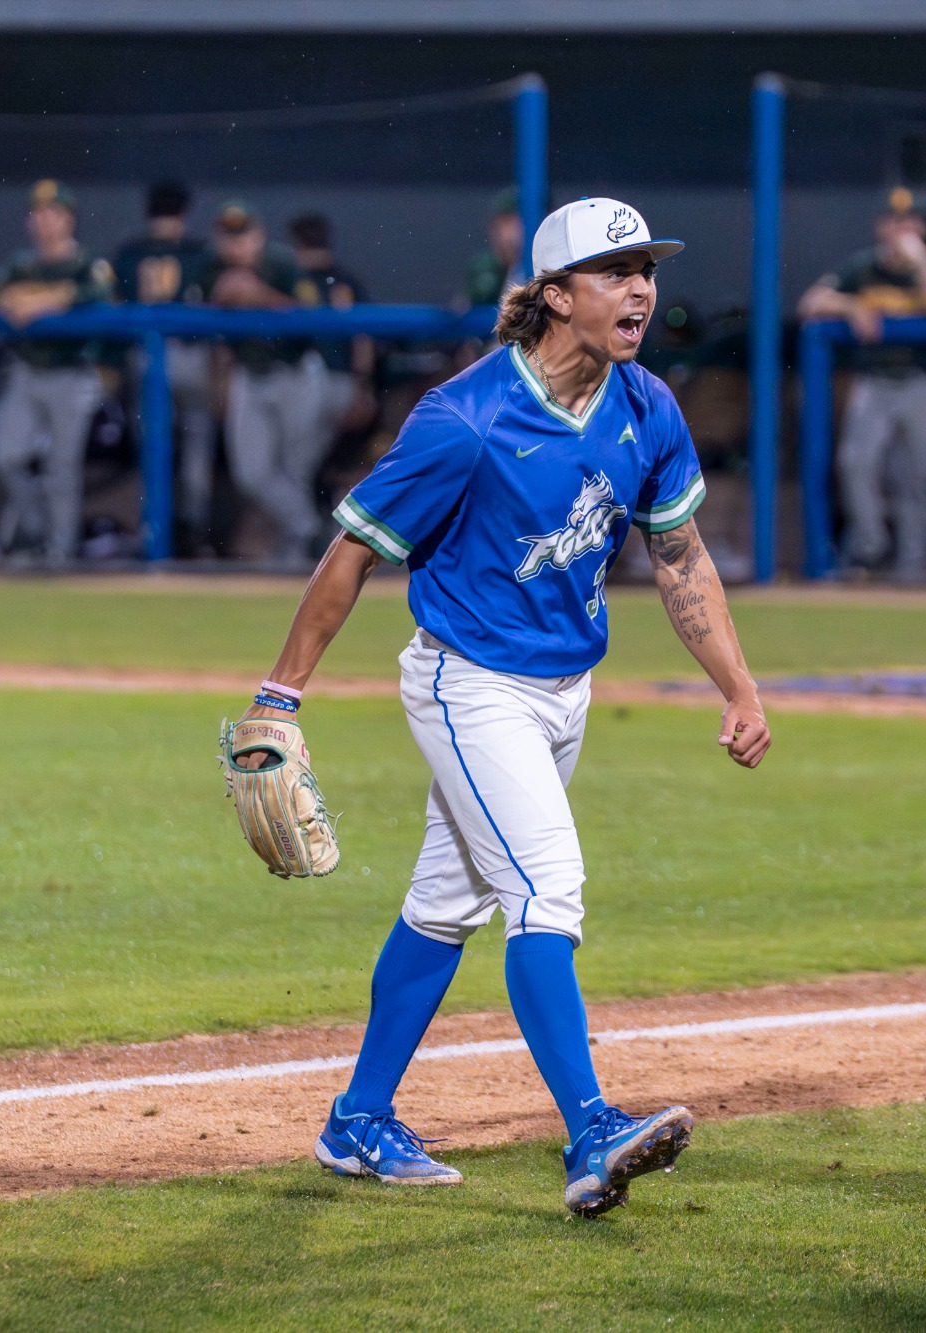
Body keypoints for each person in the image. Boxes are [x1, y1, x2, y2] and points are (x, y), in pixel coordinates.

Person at [234, 197, 768, 1216]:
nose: (641, 289)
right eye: (615, 271)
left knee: (447, 905)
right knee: (547, 890)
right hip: (468, 682)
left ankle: (356, 1120)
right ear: (556, 295)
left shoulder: (646, 403)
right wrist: (280, 692)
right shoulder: (466, 418)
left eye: (646, 268)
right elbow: (354, 548)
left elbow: (679, 554)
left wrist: (736, 684)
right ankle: (590, 1128)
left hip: (565, 688)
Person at [798, 188, 926, 576]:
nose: (901, 230)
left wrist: (921, 260)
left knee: (916, 476)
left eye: (910, 222)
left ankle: (912, 563)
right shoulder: (863, 267)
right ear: (881, 227)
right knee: (856, 464)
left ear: (922, 229)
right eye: (895, 222)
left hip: (923, 382)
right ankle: (870, 546)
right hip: (875, 381)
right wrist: (852, 305)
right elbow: (811, 302)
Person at [0, 180, 114, 568]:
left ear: (69, 219)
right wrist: (31, 300)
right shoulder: (20, 265)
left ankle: (60, 550)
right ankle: (35, 530)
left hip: (72, 373)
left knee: (62, 466)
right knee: (6, 457)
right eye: (38, 213)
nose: (44, 220)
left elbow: (95, 293)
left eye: (53, 213)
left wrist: (38, 301)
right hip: (28, 371)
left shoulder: (87, 264)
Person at [201, 201, 326, 563]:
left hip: (295, 372)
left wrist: (257, 294)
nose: (237, 246)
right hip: (249, 374)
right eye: (229, 237)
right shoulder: (213, 268)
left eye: (244, 236)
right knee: (251, 473)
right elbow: (199, 321)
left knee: (296, 467)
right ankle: (308, 528)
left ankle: (299, 552)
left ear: (259, 236)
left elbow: (315, 316)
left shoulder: (282, 263)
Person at [112, 181, 216, 552]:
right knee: (195, 455)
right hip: (189, 355)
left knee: (154, 455)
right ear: (185, 210)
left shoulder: (129, 253)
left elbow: (113, 309)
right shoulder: (200, 253)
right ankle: (194, 538)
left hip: (145, 357)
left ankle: (155, 537)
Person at [288, 212, 376, 514]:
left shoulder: (293, 281)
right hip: (344, 383)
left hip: (309, 383)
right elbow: (363, 341)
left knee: (297, 466)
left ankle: (307, 535)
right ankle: (315, 531)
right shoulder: (346, 280)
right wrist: (363, 387)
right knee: (319, 465)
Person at [462, 188, 527, 314]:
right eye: (506, 223)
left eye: (517, 223)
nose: (512, 233)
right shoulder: (486, 266)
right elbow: (461, 309)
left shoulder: (551, 267)